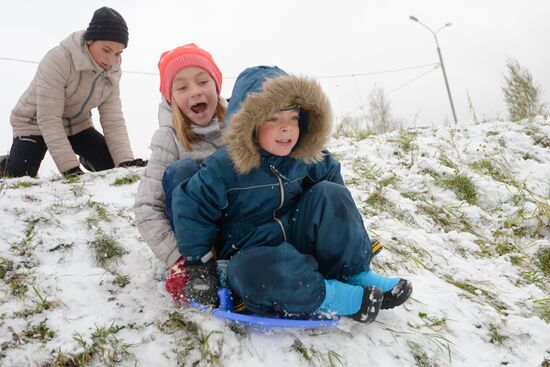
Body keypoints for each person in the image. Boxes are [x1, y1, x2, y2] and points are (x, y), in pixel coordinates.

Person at [171, 66, 412, 323]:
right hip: (252, 252)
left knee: (331, 193)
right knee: (252, 269)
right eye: (273, 119)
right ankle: (329, 296)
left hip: (297, 238)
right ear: (249, 123)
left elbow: (338, 206)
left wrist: (350, 243)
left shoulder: (305, 157)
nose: (286, 128)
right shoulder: (224, 167)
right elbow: (192, 206)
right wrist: (199, 265)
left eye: (293, 118)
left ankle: (352, 273)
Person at [0, 7, 146, 178]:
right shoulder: (58, 59)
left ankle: (87, 157)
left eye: (118, 53)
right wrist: (70, 169)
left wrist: (125, 161)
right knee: (21, 174)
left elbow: (113, 119)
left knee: (111, 165)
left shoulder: (112, 71)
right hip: (34, 123)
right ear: (90, 40)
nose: (111, 60)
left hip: (76, 124)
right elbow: (49, 118)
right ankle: (9, 163)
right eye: (106, 50)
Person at [133, 44, 226, 305]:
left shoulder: (237, 126)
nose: (195, 91)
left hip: (234, 230)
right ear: (170, 98)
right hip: (190, 239)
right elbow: (146, 207)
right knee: (183, 171)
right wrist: (178, 258)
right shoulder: (169, 138)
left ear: (216, 87)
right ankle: (198, 266)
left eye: (202, 81)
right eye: (182, 87)